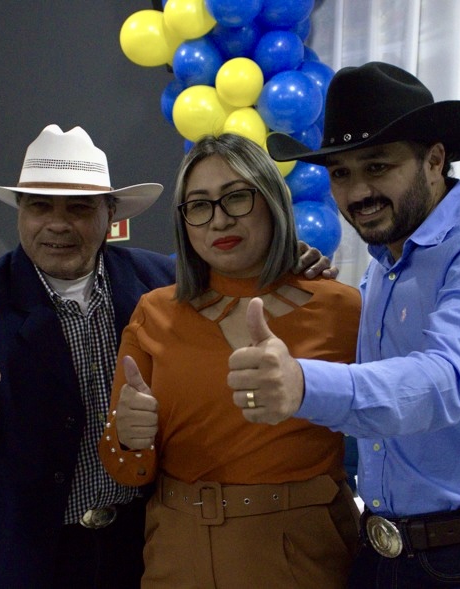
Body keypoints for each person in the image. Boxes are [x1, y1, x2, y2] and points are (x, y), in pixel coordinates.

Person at [0, 124, 333, 588]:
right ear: (19, 213)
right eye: (39, 206)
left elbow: (245, 271)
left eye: (80, 208)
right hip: (21, 556)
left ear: (110, 213)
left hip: (140, 547)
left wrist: (295, 262)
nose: (58, 223)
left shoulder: (164, 282)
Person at [227, 61, 460, 587]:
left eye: (377, 166)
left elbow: (442, 381)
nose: (357, 191)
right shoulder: (385, 267)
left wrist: (301, 383)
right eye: (340, 173)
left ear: (434, 161)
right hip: (388, 554)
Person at [99, 133, 362, 588]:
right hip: (177, 553)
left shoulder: (343, 309)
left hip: (300, 554)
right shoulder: (155, 313)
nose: (219, 220)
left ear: (272, 200)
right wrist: (127, 436)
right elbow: (126, 467)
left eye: (237, 197)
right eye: (199, 205)